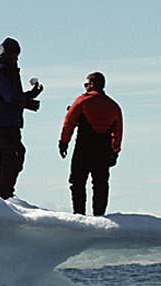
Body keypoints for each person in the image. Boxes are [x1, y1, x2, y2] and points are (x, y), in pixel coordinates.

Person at [0, 37, 43, 199]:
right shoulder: (5, 70)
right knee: (13, 155)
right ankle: (5, 193)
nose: (16, 59)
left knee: (9, 154)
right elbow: (10, 97)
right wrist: (30, 96)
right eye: (15, 56)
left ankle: (6, 192)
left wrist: (26, 102)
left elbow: (4, 97)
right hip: (5, 121)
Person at [59, 72, 123, 216]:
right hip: (103, 150)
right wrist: (115, 151)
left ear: (92, 84)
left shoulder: (82, 101)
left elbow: (69, 123)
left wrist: (63, 142)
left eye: (86, 84)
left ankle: (79, 215)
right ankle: (99, 216)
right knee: (100, 184)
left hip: (84, 148)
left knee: (77, 182)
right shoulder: (113, 106)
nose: (85, 87)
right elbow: (118, 132)